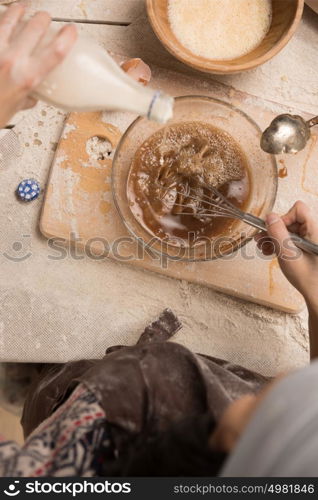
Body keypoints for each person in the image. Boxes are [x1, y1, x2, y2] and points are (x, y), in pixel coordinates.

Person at [1, 4, 318, 479]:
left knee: (40, 384)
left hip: (75, 403)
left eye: (259, 414)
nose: (289, 379)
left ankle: (33, 384)